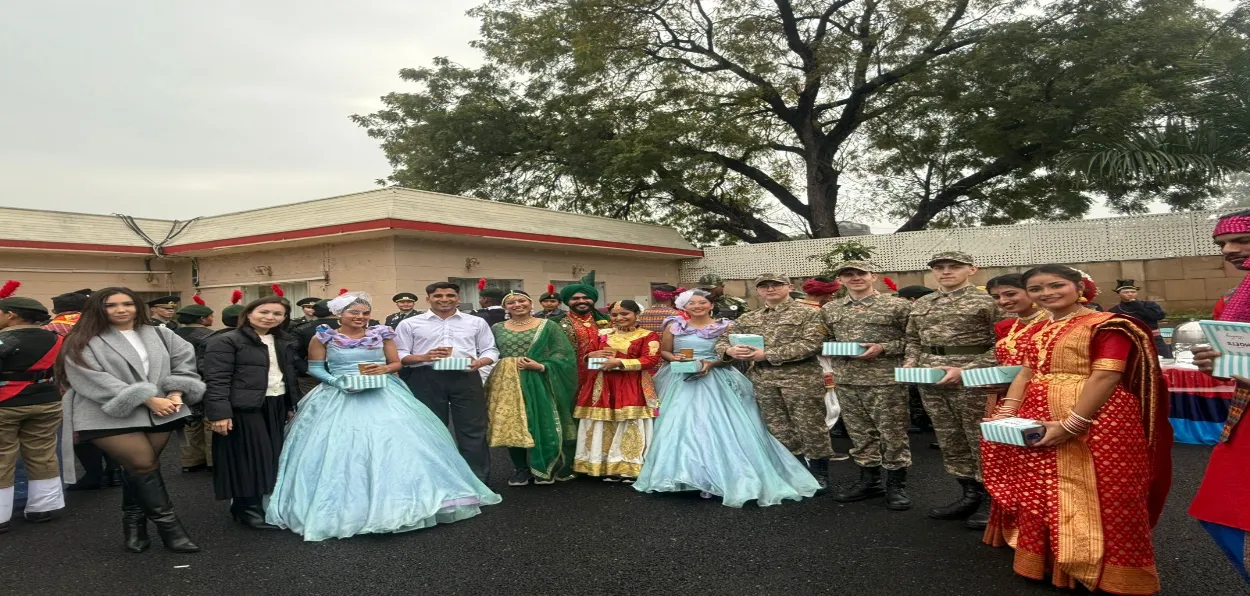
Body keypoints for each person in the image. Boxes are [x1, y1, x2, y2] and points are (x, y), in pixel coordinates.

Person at [982, 264, 1172, 594]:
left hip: (1100, 420)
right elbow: (1026, 373)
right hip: (1036, 414)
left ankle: (1110, 573)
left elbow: (1106, 376)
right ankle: (1053, 563)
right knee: (1043, 490)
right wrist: (1008, 409)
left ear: (1078, 287)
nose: (1047, 294)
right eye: (1037, 289)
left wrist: (1072, 424)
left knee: (1106, 492)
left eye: (1056, 286)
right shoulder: (1038, 329)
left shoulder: (1107, 324)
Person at [267, 292, 499, 540]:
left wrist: (384, 369)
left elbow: (396, 363)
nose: (360, 317)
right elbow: (315, 369)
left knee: (400, 445)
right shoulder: (323, 337)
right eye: (353, 312)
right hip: (338, 395)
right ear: (339, 314)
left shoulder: (382, 333)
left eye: (365, 313)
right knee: (340, 447)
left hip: (383, 392)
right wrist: (339, 382)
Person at [635, 290, 820, 506]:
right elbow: (664, 352)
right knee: (676, 424)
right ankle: (680, 475)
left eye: (702, 302)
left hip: (717, 378)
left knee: (724, 424)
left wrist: (711, 363)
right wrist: (674, 357)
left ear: (710, 305)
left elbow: (732, 357)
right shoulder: (673, 326)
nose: (697, 306)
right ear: (683, 307)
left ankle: (729, 474)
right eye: (691, 303)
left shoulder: (726, 326)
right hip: (679, 378)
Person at [57, 287, 204, 553]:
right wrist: (147, 398)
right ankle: (171, 529)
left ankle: (134, 524)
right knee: (143, 463)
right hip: (106, 412)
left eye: (127, 304)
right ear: (98, 309)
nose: (121, 309)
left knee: (137, 470)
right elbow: (90, 378)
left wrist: (176, 390)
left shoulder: (161, 332)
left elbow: (184, 360)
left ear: (137, 305)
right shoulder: (82, 338)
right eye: (111, 305)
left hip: (162, 410)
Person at [904, 251, 1002, 522]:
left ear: (972, 269)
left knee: (979, 438)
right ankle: (969, 494)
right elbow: (912, 339)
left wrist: (967, 370)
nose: (946, 271)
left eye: (954, 266)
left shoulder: (988, 300)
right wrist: (911, 364)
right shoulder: (924, 303)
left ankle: (991, 502)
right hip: (932, 381)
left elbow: (1005, 342)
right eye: (939, 267)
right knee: (950, 439)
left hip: (972, 381)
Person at [717, 273, 834, 490]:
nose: (770, 289)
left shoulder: (809, 313)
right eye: (764, 286)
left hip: (800, 378)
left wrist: (767, 355)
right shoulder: (749, 317)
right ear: (758, 291)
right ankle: (794, 469)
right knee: (778, 428)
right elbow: (723, 340)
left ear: (789, 287)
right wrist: (729, 349)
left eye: (776, 285)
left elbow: (812, 344)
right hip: (764, 380)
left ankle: (819, 472)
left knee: (810, 426)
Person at [820, 262, 914, 510]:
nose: (855, 278)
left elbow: (914, 341)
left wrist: (884, 347)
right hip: (848, 379)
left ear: (874, 276)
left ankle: (896, 485)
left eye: (861, 273)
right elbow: (826, 339)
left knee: (892, 433)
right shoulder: (831, 308)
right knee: (859, 434)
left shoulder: (897, 305)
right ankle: (869, 481)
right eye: (848, 275)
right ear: (840, 280)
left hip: (885, 380)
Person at [200, 297, 300, 529]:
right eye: (264, 312)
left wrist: (289, 405)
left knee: (271, 456)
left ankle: (254, 505)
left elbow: (287, 376)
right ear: (249, 313)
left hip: (275, 404)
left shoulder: (283, 340)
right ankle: (246, 508)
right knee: (249, 458)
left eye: (277, 314)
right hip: (242, 407)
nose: (270, 317)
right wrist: (219, 414)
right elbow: (216, 380)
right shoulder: (226, 340)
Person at [1190, 210, 1250, 584]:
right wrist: (1215, 364)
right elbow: (1234, 365)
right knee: (1228, 511)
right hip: (1245, 418)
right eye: (1222, 245)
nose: (1228, 250)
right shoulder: (1231, 301)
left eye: (1241, 240)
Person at [395, 282, 498, 483]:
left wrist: (480, 362)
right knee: (430, 428)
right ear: (428, 299)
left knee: (473, 428)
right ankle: (437, 480)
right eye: (438, 296)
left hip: (465, 375)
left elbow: (490, 350)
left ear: (458, 298)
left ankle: (477, 481)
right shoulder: (410, 323)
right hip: (425, 377)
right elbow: (400, 354)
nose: (444, 299)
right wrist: (423, 357)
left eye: (450, 295)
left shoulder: (475, 322)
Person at [973, 273, 1048, 531]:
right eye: (997, 297)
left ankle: (1036, 527)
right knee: (1006, 460)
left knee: (1037, 464)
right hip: (1004, 398)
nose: (1003, 301)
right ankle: (1011, 518)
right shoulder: (1007, 327)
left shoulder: (1051, 323)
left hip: (1041, 400)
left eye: (1010, 294)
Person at [483, 291, 578, 485]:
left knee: (541, 419)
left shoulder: (548, 326)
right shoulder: (497, 328)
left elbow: (563, 354)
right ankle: (520, 469)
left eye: (521, 300)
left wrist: (542, 366)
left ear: (530, 303)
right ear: (505, 307)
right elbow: (489, 351)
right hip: (506, 380)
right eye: (511, 302)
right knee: (513, 424)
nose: (517, 304)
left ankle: (544, 466)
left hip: (539, 377)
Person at [41, 288, 122, 491]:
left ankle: (93, 475)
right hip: (108, 382)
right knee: (110, 426)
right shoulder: (106, 325)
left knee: (80, 431)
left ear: (55, 310)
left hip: (68, 387)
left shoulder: (49, 330)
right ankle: (116, 472)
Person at [572, 300, 661, 481]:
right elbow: (588, 357)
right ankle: (602, 465)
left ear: (637, 314)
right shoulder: (603, 333)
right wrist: (591, 356)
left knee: (629, 422)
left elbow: (651, 360)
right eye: (614, 315)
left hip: (632, 383)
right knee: (601, 422)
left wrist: (619, 363)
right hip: (602, 383)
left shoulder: (648, 336)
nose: (619, 318)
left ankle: (628, 466)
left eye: (625, 314)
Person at [0, 293, 64, 532]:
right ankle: (43, 507)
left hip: (5, 403)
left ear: (11, 315)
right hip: (47, 401)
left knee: (2, 457)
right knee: (43, 454)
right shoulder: (56, 338)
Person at [793, 276, 850, 461]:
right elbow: (821, 343)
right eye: (831, 294)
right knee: (828, 407)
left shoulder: (792, 308)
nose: (833, 297)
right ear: (823, 294)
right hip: (818, 363)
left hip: (799, 366)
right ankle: (819, 452)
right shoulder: (819, 312)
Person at [173, 300, 216, 474]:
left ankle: (190, 460)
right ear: (202, 319)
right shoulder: (210, 336)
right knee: (210, 420)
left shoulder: (169, 334)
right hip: (204, 382)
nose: (212, 319)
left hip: (177, 383)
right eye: (211, 316)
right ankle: (212, 460)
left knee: (188, 421)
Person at [554, 272, 611, 392]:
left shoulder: (607, 320)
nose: (581, 301)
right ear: (567, 301)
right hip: (569, 376)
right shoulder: (555, 322)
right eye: (575, 298)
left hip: (602, 373)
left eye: (586, 298)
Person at [1109, 280, 1173, 358]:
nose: (1130, 294)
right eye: (1126, 292)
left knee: (1165, 360)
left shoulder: (1149, 305)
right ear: (1119, 293)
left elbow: (1159, 316)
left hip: (1153, 340)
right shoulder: (1114, 310)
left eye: (1133, 292)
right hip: (1129, 341)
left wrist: (1138, 306)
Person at [292, 299, 340, 396]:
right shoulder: (353, 327)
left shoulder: (302, 328)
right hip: (345, 375)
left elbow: (292, 352)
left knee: (314, 405)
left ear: (315, 312)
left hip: (311, 377)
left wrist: (305, 369)